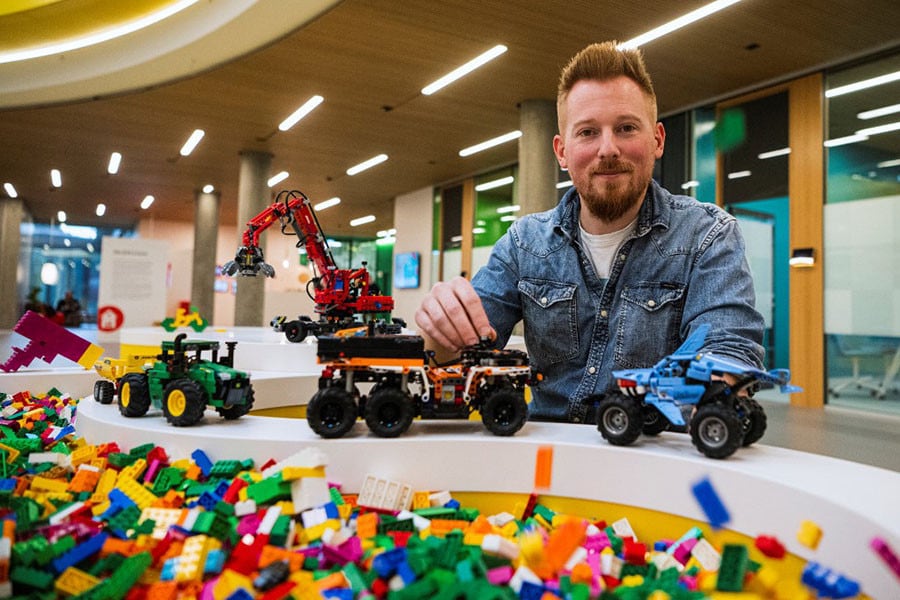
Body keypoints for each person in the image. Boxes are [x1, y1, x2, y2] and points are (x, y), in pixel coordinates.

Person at [415, 41, 765, 423]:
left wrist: (716, 389)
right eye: (587, 132)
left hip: (658, 461)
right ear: (562, 152)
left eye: (626, 128)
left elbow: (729, 345)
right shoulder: (523, 245)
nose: (608, 148)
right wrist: (441, 328)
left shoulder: (707, 236)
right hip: (548, 464)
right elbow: (457, 352)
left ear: (658, 140)